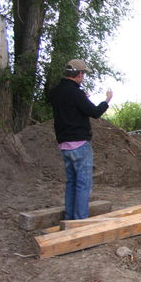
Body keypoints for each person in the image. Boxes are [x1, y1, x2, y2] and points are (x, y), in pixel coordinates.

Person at [50, 59, 113, 220]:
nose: (83, 76)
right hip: (79, 144)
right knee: (83, 185)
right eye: (83, 73)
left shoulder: (56, 92)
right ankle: (79, 223)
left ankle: (70, 218)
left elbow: (70, 109)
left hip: (63, 145)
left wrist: (82, 98)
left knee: (71, 183)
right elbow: (95, 112)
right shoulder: (76, 93)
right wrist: (107, 100)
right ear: (78, 74)